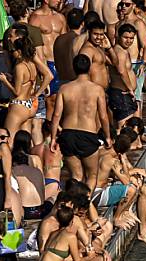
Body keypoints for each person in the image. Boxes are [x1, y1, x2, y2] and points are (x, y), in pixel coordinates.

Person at [51, 54, 112, 191]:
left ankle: (73, 204)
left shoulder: (64, 88)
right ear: (89, 68)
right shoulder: (97, 90)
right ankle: (85, 203)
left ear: (74, 68)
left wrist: (53, 137)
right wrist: (107, 136)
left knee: (76, 175)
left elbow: (56, 115)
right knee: (92, 175)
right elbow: (103, 116)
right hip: (88, 134)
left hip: (67, 134)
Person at [0, 36, 40, 137]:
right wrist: (12, 79)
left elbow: (17, 92)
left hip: (18, 106)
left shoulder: (19, 67)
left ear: (19, 51)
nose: (12, 53)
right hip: (29, 106)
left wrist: (5, 81)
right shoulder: (32, 65)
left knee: (9, 138)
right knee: (25, 141)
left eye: (14, 50)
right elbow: (26, 82)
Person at [106, 23, 139, 129]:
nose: (128, 41)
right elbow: (121, 72)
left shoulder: (124, 50)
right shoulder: (119, 51)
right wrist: (130, 89)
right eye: (125, 37)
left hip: (124, 95)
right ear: (118, 36)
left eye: (131, 38)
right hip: (121, 94)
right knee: (124, 129)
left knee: (130, 127)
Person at [52, 8, 84, 83]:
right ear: (83, 23)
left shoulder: (58, 39)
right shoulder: (79, 40)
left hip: (61, 81)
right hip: (75, 83)